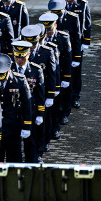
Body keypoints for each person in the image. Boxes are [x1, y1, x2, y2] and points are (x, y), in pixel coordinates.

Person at [0, 54, 32, 163]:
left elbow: (26, 104)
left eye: (1, 74)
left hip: (13, 126)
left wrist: (26, 126)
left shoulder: (20, 80)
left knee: (14, 159)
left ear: (8, 71)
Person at [22, 25, 56, 160]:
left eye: (33, 43)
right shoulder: (21, 54)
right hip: (25, 99)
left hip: (40, 92)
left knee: (39, 128)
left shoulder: (47, 52)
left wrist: (52, 93)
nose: (31, 46)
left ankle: (38, 152)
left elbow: (52, 74)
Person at [39, 13, 72, 141]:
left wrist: (66, 78)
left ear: (55, 26)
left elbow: (67, 59)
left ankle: (56, 128)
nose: (48, 32)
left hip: (58, 77)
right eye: (46, 30)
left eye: (50, 29)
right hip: (44, 81)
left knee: (57, 107)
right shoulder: (40, 40)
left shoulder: (62, 38)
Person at [48, 0, 81, 125]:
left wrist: (76, 57)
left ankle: (65, 112)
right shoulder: (47, 20)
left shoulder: (72, 18)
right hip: (51, 61)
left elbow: (76, 38)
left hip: (66, 57)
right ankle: (57, 115)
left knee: (67, 87)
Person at [12, 40, 45, 163]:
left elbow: (40, 94)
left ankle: (33, 161)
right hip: (13, 112)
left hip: (30, 111)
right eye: (17, 57)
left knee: (30, 141)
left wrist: (40, 114)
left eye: (22, 58)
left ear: (28, 55)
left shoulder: (36, 70)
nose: (19, 61)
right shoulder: (9, 69)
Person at [62, 0, 91, 109]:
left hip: (76, 43)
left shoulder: (83, 5)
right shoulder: (60, 5)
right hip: (63, 44)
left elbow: (88, 24)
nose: (69, 1)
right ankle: (65, 96)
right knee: (64, 70)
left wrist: (86, 42)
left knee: (76, 72)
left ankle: (76, 97)